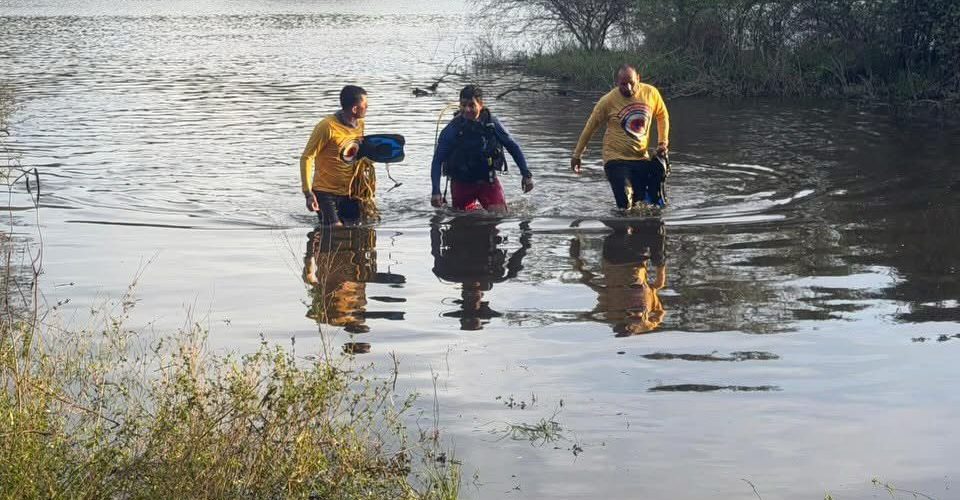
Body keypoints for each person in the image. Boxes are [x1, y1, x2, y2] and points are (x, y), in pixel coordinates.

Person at [571, 64, 670, 209]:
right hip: (615, 158)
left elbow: (662, 115)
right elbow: (590, 127)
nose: (628, 88)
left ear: (638, 78)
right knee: (625, 202)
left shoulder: (651, 93)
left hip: (641, 157)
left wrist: (663, 142)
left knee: (640, 203)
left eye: (631, 83)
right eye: (623, 84)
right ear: (617, 83)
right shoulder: (608, 101)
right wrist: (577, 154)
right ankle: (621, 230)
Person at [430, 85, 534, 213]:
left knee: (499, 215)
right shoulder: (452, 129)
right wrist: (436, 191)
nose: (467, 109)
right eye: (463, 105)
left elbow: (513, 147)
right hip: (461, 183)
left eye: (471, 105)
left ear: (480, 105)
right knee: (461, 222)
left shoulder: (492, 124)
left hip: (487, 181)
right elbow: (437, 160)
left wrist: (526, 175)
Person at [430, 216, 531, 330]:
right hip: (485, 220)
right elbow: (524, 248)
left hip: (460, 221)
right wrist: (525, 224)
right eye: (474, 310)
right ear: (483, 303)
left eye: (467, 310)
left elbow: (435, 249)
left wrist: (435, 224)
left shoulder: (447, 273)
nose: (471, 305)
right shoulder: (499, 275)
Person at [570, 219, 667, 336]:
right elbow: (658, 303)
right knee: (650, 227)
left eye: (628, 317)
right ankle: (648, 220)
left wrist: (576, 256)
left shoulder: (611, 310)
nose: (634, 314)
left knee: (620, 229)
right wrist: (660, 265)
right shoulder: (646, 322)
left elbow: (588, 281)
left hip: (615, 259)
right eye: (636, 317)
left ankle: (614, 219)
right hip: (639, 259)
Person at [300, 85, 376, 226]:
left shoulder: (360, 124)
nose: (368, 107)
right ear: (354, 109)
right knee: (336, 230)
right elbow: (307, 157)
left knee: (359, 228)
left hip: (349, 192)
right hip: (324, 192)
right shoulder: (326, 126)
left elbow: (357, 152)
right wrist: (308, 193)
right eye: (365, 105)